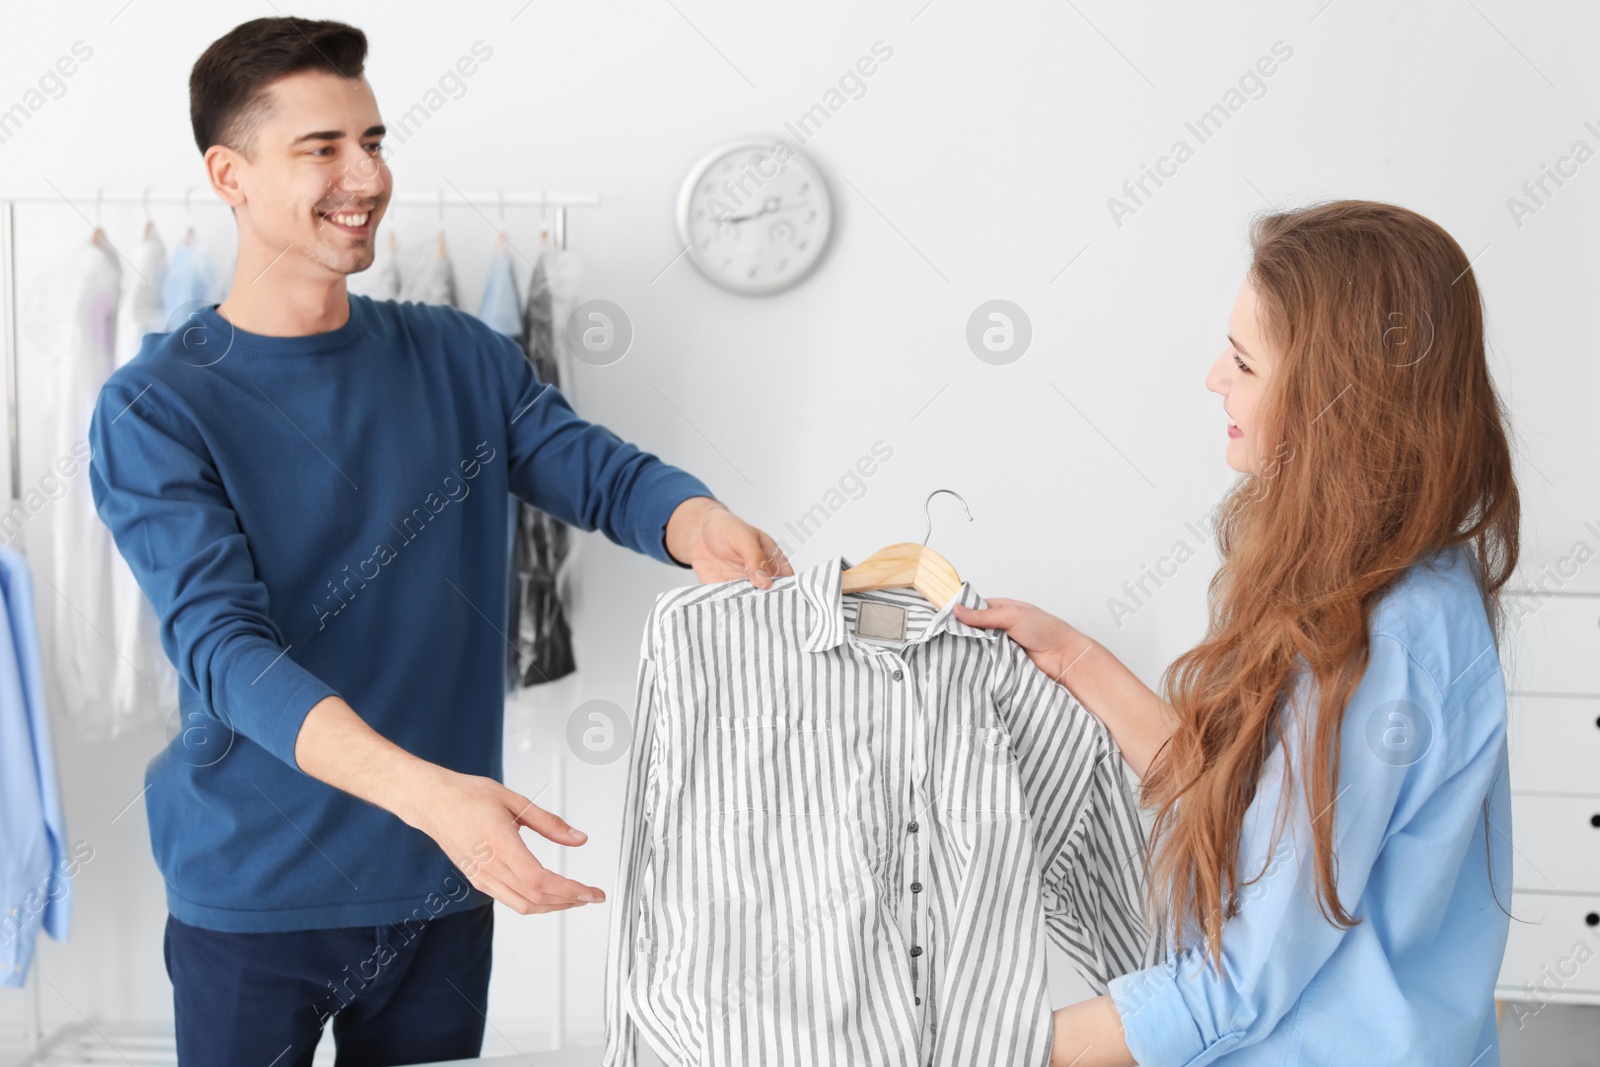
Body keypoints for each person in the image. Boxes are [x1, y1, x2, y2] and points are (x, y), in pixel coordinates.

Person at [87, 16, 790, 1066]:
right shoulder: (158, 404)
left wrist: (697, 523)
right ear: (229, 175)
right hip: (256, 886)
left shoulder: (460, 355)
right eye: (321, 147)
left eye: (372, 140)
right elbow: (225, 651)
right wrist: (434, 799)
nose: (364, 174)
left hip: (440, 882)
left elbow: (599, 472)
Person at [956, 200, 1520, 1066]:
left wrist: (968, 1047)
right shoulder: (1398, 575)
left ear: (1341, 404)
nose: (1214, 376)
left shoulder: (1383, 646)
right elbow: (1250, 813)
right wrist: (1072, 656)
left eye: (1245, 361)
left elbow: (1238, 984)